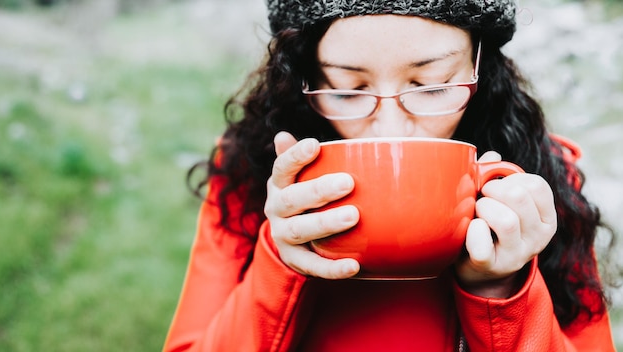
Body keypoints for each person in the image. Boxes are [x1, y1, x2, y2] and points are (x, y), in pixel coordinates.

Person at [163, 1, 618, 351]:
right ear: (302, 77)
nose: (391, 130)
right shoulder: (250, 172)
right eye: (346, 89)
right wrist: (279, 259)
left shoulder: (539, 181)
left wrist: (502, 290)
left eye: (434, 85)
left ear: (480, 68)